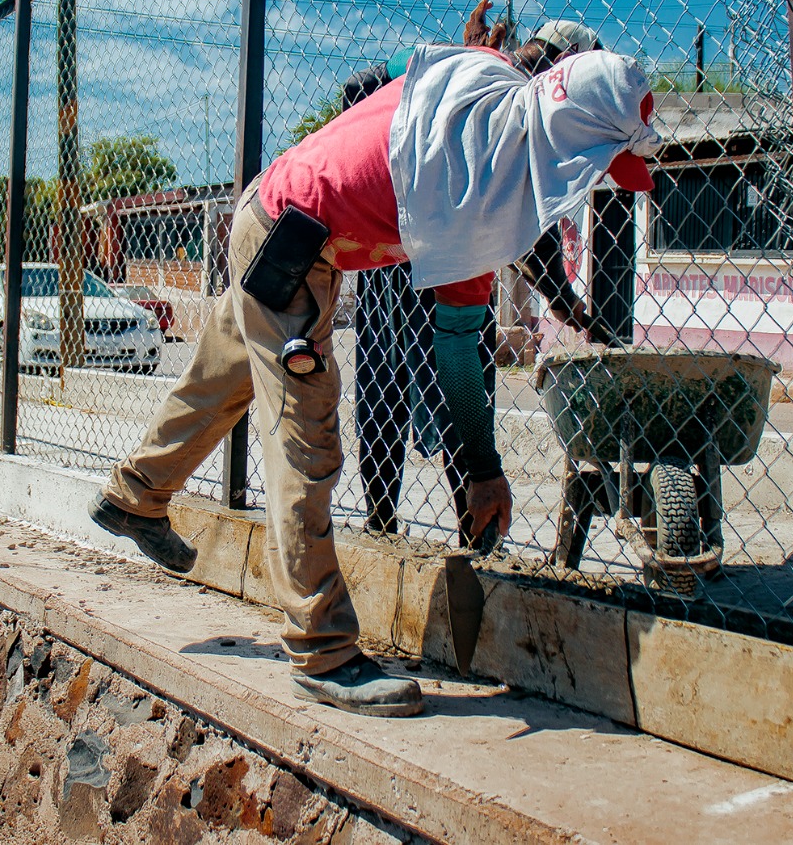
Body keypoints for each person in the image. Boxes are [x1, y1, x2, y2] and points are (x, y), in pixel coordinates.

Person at [90, 39, 661, 717]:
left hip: (273, 211)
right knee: (305, 437)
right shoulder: (479, 194)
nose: (593, 179)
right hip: (295, 246)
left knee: (219, 381)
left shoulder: (487, 70)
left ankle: (136, 494)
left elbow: (386, 76)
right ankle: (323, 653)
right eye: (599, 162)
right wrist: (482, 467)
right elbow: (456, 358)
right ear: (573, 140)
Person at [346, 4, 606, 543]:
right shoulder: (518, 103)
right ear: (568, 66)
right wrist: (567, 304)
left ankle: (383, 529)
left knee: (386, 394)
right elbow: (530, 234)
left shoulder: (470, 73)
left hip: (390, 257)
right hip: (443, 266)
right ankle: (475, 547)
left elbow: (357, 87)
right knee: (458, 405)